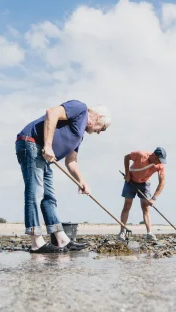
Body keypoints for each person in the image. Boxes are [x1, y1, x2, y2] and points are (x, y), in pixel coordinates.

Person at [16, 99, 111, 253]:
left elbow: (71, 161)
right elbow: (51, 113)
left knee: (49, 197)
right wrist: (47, 146)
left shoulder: (79, 136)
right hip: (31, 144)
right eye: (102, 129)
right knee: (35, 192)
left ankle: (61, 239)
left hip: (43, 155)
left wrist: (82, 181)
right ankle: (36, 242)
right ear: (99, 118)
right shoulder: (80, 108)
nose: (99, 132)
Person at [118, 147, 166, 241]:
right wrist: (127, 174)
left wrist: (154, 198)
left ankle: (149, 233)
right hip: (130, 180)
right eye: (159, 160)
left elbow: (162, 183)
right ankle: (122, 232)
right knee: (127, 205)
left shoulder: (160, 166)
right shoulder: (140, 155)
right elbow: (126, 157)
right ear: (154, 155)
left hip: (145, 184)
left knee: (146, 207)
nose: (159, 162)